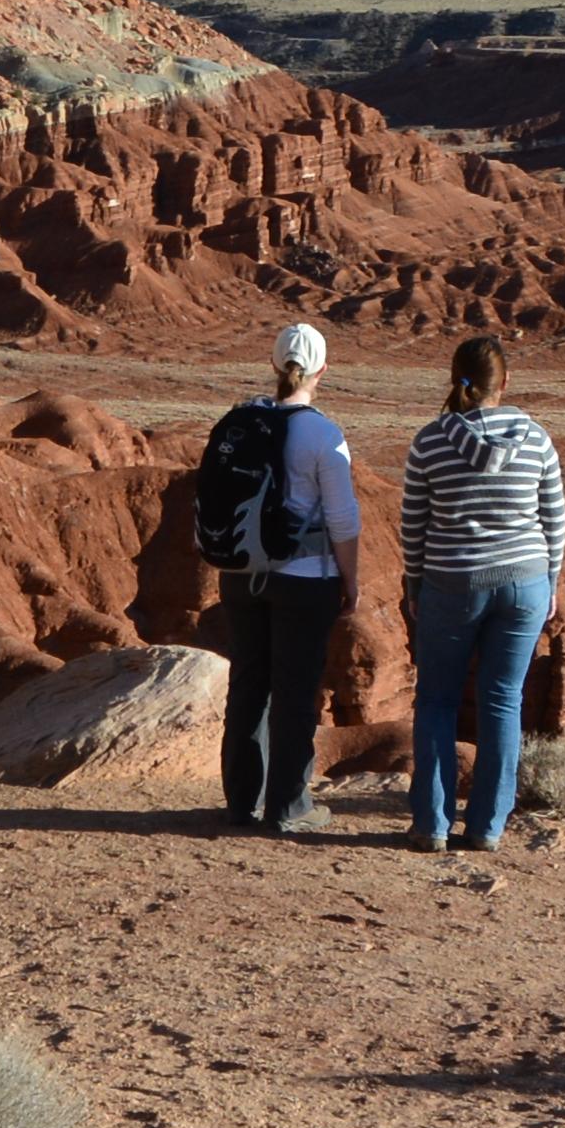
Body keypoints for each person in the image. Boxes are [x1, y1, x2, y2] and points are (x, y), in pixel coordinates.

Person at [401, 334, 565, 851]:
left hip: (450, 584)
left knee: (436, 702)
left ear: (456, 380)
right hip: (525, 584)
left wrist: (414, 583)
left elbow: (414, 525)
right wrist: (551, 581)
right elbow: (555, 519)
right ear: (506, 383)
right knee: (502, 702)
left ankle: (432, 825)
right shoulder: (537, 439)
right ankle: (488, 828)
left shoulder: (430, 441)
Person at [214, 321, 362, 837]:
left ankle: (241, 802)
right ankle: (289, 806)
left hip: (241, 575)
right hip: (305, 579)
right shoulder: (322, 433)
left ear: (275, 365)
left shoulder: (240, 422)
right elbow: (343, 518)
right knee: (296, 692)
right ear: (322, 370)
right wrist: (351, 578)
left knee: (249, 684)